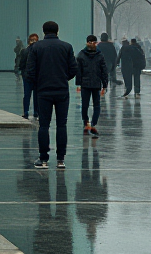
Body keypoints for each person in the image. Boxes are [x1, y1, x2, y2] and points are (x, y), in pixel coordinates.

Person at [25, 20, 76, 169]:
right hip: (61, 90)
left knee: (44, 125)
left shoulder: (36, 47)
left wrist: (39, 82)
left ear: (43, 32)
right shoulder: (66, 47)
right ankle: (60, 159)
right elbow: (73, 69)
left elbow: (30, 71)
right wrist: (63, 78)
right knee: (62, 124)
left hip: (43, 91)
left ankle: (43, 158)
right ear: (57, 31)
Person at [75, 35, 108, 136]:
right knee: (87, 105)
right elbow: (78, 71)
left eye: (93, 42)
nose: (92, 44)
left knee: (94, 105)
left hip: (93, 84)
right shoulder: (95, 55)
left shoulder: (83, 55)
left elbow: (104, 70)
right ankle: (87, 123)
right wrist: (78, 84)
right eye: (90, 42)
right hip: (89, 83)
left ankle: (92, 124)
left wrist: (105, 85)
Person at [19, 33, 40, 119]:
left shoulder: (24, 51)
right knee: (36, 95)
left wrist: (24, 73)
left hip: (27, 77)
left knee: (27, 95)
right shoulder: (39, 51)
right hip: (37, 77)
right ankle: (36, 112)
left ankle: (26, 112)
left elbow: (21, 64)